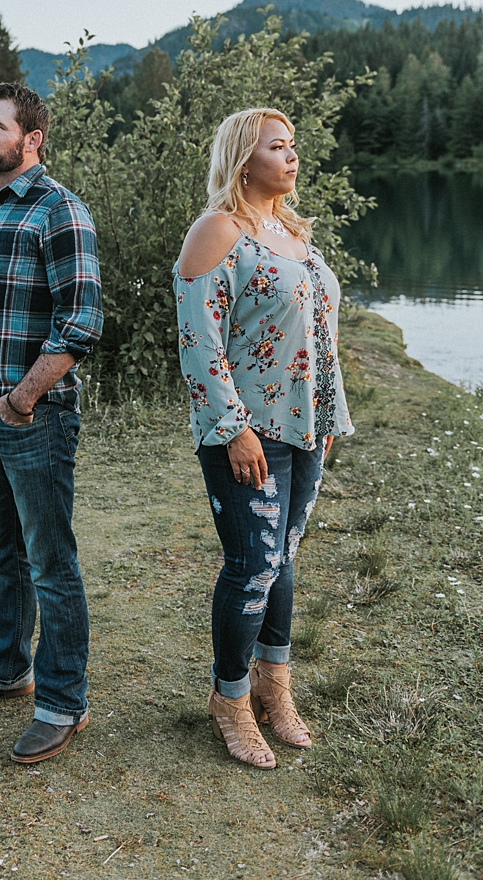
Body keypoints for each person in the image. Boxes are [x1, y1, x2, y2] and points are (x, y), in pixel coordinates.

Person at [174, 107, 352, 769]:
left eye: (293, 146)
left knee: (284, 561)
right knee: (251, 566)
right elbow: (200, 343)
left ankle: (276, 688)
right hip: (248, 434)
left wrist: (327, 421)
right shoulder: (218, 231)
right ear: (244, 160)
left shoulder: (292, 231)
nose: (292, 157)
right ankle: (231, 698)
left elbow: (322, 338)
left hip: (306, 429)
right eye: (278, 147)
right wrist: (233, 431)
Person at [0, 82, 104, 766]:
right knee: (1, 552)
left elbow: (81, 322)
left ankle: (64, 701)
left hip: (34, 419)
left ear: (32, 140)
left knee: (50, 562)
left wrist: (24, 398)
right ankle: (4, 666)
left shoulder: (60, 211)